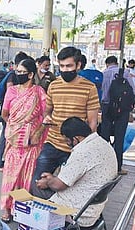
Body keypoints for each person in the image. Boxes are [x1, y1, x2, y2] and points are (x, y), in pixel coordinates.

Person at [30, 46, 100, 198]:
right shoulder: (54, 86)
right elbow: (47, 111)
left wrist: (84, 149)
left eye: (69, 66)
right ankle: (48, 216)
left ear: (78, 65)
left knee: (69, 189)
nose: (65, 69)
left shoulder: (89, 88)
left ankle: (63, 217)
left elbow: (92, 123)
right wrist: (46, 118)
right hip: (52, 144)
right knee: (36, 183)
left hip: (75, 149)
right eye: (62, 66)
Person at [35, 117, 117, 226]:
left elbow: (59, 185)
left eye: (67, 140)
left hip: (79, 212)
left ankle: (40, 228)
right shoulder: (103, 144)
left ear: (76, 138)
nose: (67, 143)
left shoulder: (82, 152)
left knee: (37, 188)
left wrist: (48, 181)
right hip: (93, 208)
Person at [0, 58, 47, 222]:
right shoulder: (11, 91)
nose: (18, 75)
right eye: (17, 72)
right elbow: (5, 115)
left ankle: (20, 208)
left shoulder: (39, 92)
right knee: (10, 177)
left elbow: (46, 116)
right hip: (14, 143)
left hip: (31, 145)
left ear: (31, 74)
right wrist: (16, 129)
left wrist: (36, 131)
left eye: (22, 72)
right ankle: (7, 208)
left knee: (26, 178)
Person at [100, 55, 133, 175]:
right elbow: (132, 91)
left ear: (107, 63)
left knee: (104, 137)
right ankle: (118, 167)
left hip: (106, 107)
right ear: (116, 63)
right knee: (119, 138)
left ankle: (102, 166)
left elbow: (102, 91)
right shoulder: (125, 72)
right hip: (122, 109)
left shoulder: (104, 73)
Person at [0, 51, 29, 171]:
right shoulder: (12, 76)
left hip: (12, 111)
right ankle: (1, 162)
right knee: (6, 135)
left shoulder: (13, 74)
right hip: (9, 112)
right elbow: (10, 91)